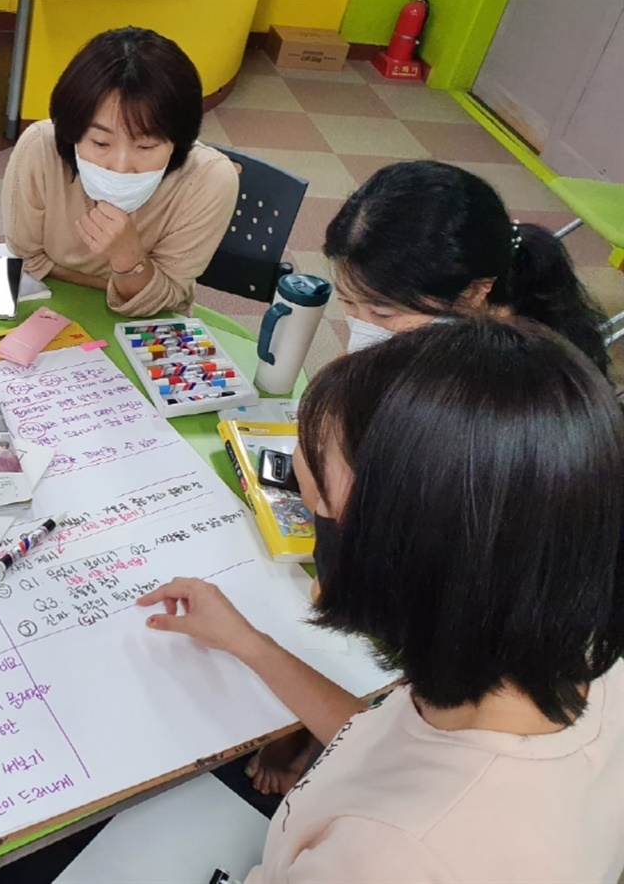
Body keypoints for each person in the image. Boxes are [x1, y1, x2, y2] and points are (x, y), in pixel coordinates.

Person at [135, 318, 623, 880]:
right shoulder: (566, 654)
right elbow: (397, 747)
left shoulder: (389, 857)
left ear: (406, 553)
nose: (309, 516)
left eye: (318, 495)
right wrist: (252, 645)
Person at [2, 27, 239, 317]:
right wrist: (131, 281)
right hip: (49, 306)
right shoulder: (40, 149)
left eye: (146, 146)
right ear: (72, 131)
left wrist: (128, 258)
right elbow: (26, 257)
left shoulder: (210, 180)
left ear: (178, 141)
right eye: (101, 142)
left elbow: (169, 298)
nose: (121, 165)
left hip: (151, 326)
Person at [326, 160, 610, 374]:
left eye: (382, 313)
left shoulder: (503, 377)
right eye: (347, 302)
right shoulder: (440, 329)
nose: (363, 328)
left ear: (474, 292)